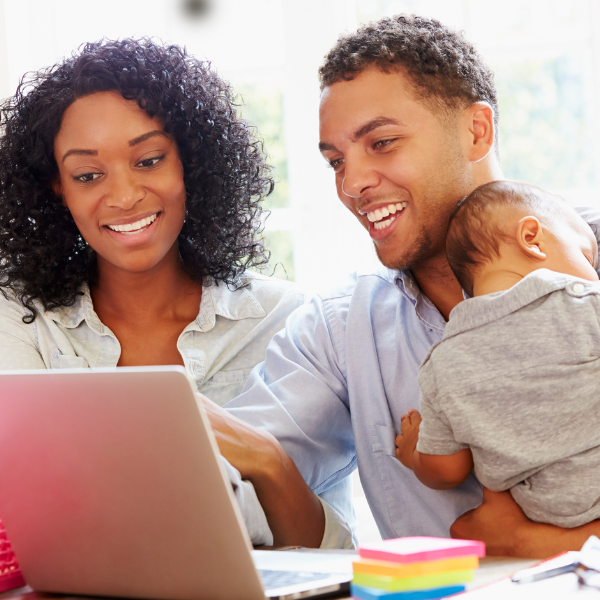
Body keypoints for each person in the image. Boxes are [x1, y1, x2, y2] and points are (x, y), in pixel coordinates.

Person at [202, 15, 600, 557]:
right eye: (337, 161)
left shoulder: (586, 273)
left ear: (476, 131)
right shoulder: (341, 331)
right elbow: (232, 479)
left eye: (382, 143)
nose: (352, 183)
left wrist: (528, 541)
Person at [0, 38, 314, 545]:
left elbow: (323, 553)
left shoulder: (286, 323)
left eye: (148, 160)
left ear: (189, 161)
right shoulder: (21, 318)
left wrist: (270, 462)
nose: (124, 196)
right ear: (58, 188)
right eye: (87, 174)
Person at [395, 180, 600, 528]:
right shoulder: (587, 305)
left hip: (546, 519)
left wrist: (415, 454)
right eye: (586, 255)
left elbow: (448, 470)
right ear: (531, 238)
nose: (592, 271)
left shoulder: (443, 363)